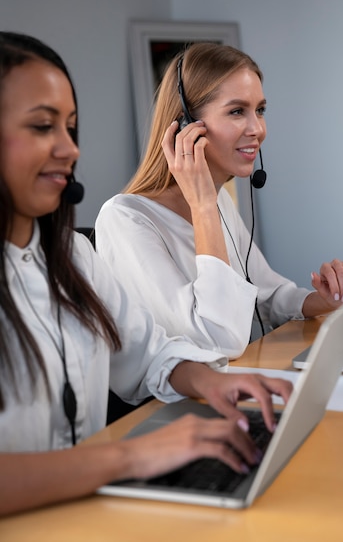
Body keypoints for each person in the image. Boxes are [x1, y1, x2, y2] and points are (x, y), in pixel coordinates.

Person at [0, 32, 293, 516]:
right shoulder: (128, 217)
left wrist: (213, 383)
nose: (69, 149)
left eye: (71, 128)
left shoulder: (72, 256)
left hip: (89, 511)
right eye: (42, 127)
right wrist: (131, 456)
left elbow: (148, 352)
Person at [95, 42, 343, 358]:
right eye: (237, 111)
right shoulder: (126, 219)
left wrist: (323, 300)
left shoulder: (218, 201)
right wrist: (203, 206)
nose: (257, 129)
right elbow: (217, 341)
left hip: (231, 385)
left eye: (260, 110)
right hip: (171, 403)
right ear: (185, 127)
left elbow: (265, 293)